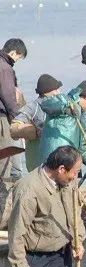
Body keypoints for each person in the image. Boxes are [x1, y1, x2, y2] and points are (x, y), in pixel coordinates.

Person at [39, 80, 86, 169]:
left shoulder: (82, 117)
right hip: (53, 159)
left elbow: (83, 147)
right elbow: (46, 104)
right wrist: (64, 109)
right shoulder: (64, 100)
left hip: (71, 162)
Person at [11, 74, 62, 173]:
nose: (59, 92)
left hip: (54, 154)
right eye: (56, 90)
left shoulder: (60, 105)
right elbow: (15, 126)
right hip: (37, 156)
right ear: (48, 92)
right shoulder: (34, 106)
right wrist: (32, 131)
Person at [0, 39, 26, 183]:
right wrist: (18, 120)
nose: (17, 60)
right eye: (18, 57)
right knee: (4, 158)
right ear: (13, 52)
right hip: (2, 118)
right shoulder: (5, 68)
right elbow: (9, 97)